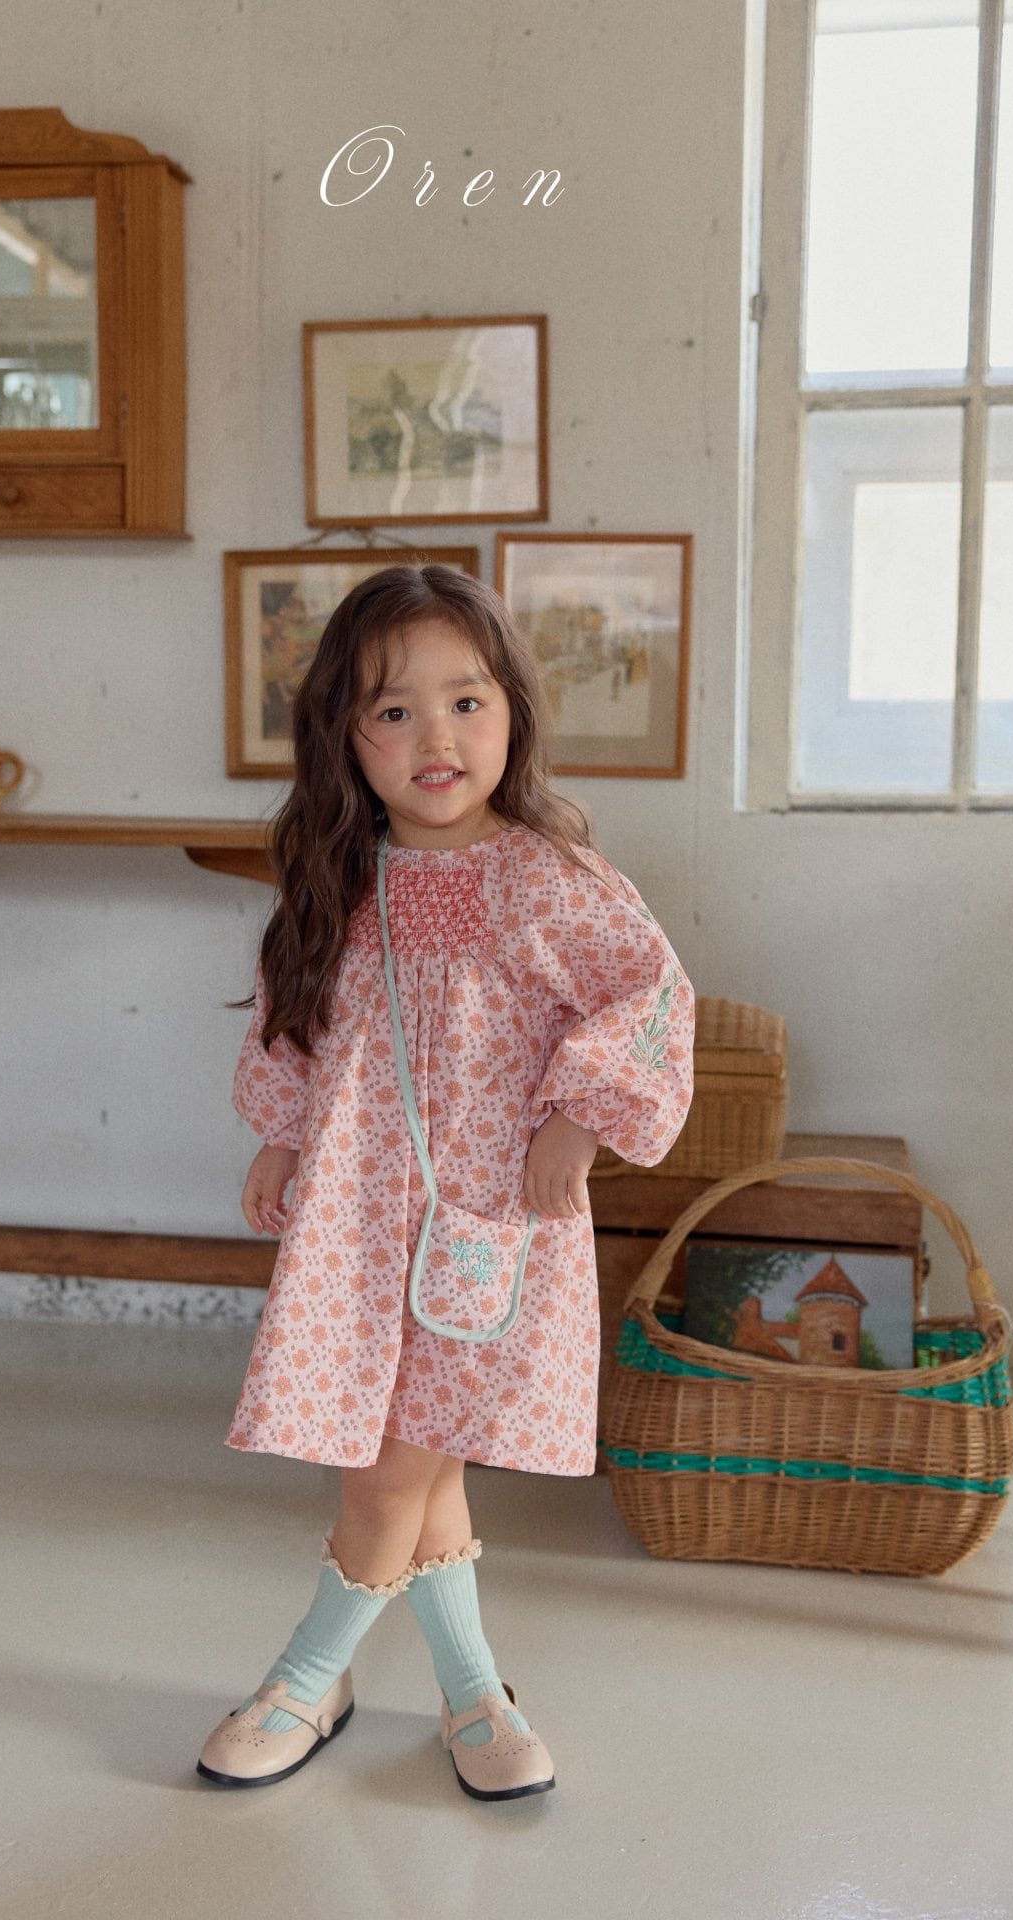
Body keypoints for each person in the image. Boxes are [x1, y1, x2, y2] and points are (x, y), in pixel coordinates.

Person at [197, 563, 694, 1801]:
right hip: (358, 1225)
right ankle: (473, 1693)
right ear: (344, 736)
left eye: (465, 701)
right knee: (425, 1468)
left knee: (389, 1470)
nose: (436, 738)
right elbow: (298, 1019)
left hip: (485, 1227)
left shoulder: (548, 877)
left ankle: (305, 1679)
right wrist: (282, 1132)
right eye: (393, 709)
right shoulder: (342, 882)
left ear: (512, 710)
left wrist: (579, 1117)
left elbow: (650, 996)